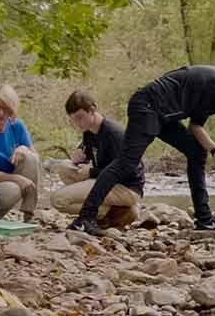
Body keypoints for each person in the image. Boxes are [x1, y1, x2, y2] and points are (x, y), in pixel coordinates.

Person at [65, 66, 215, 234]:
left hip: (161, 114)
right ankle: (85, 219)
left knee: (196, 151)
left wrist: (213, 150)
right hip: (147, 107)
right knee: (126, 163)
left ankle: (204, 219)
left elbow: (195, 127)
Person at [51, 90, 145, 229]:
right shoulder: (89, 131)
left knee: (59, 200)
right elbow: (87, 156)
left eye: (80, 118)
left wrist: (91, 173)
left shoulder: (114, 134)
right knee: (64, 167)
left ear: (92, 110)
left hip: (127, 187)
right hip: (102, 179)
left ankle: (103, 212)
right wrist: (78, 158)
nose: (77, 123)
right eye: (73, 120)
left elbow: (125, 172)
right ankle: (115, 210)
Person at [0, 84, 42, 220]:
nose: (1, 113)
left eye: (6, 109)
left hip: (12, 175)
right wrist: (16, 179)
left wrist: (23, 149)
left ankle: (28, 211)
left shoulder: (16, 125)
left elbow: (35, 157)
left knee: (30, 157)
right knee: (13, 189)